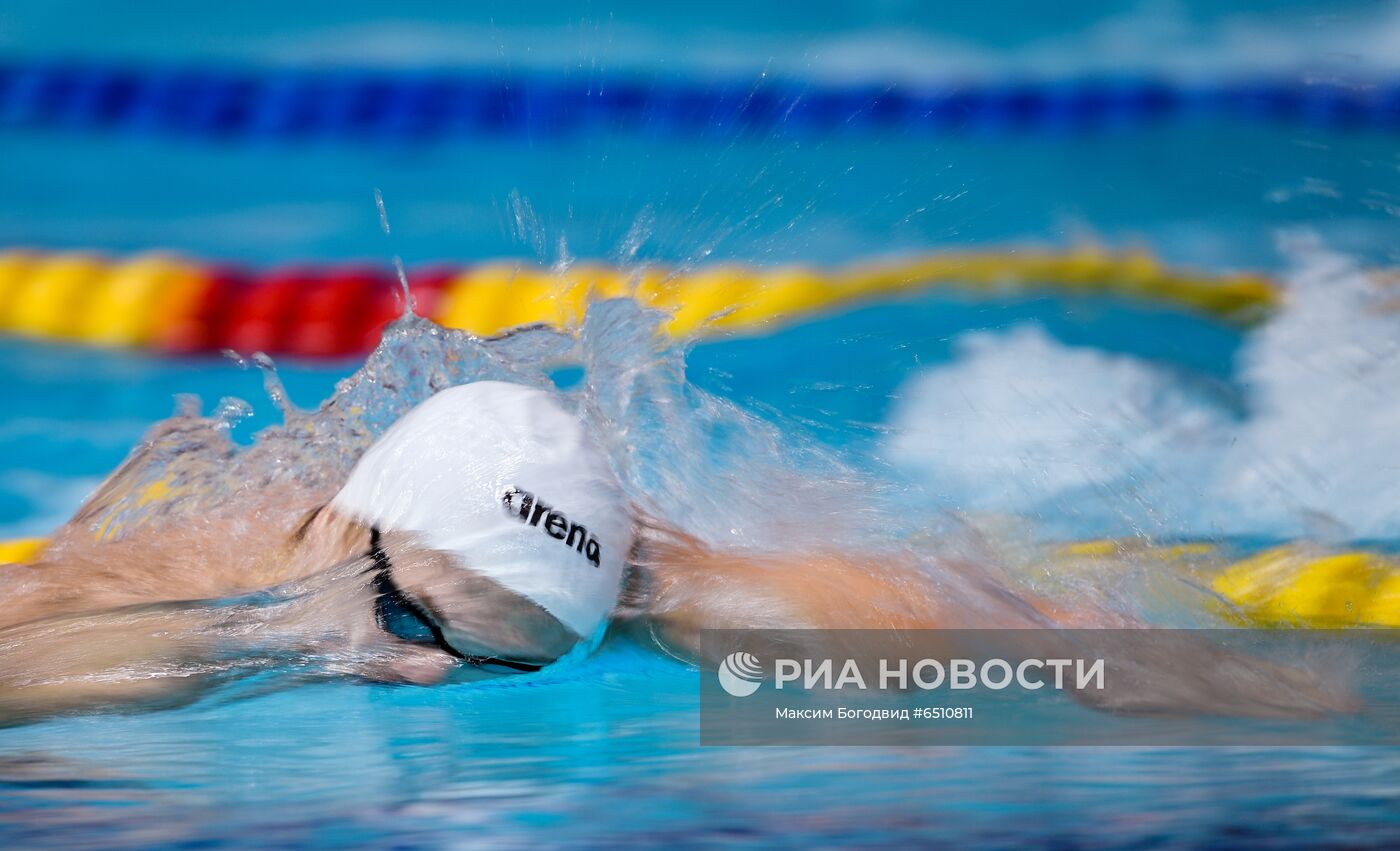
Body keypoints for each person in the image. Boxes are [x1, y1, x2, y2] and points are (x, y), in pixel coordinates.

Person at [0, 381, 1352, 724]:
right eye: (410, 629)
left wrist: (1287, 694)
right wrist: (276, 637)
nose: (427, 680)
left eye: (508, 668)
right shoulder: (171, 575)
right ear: (348, 528)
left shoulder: (657, 594)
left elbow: (1038, 647)